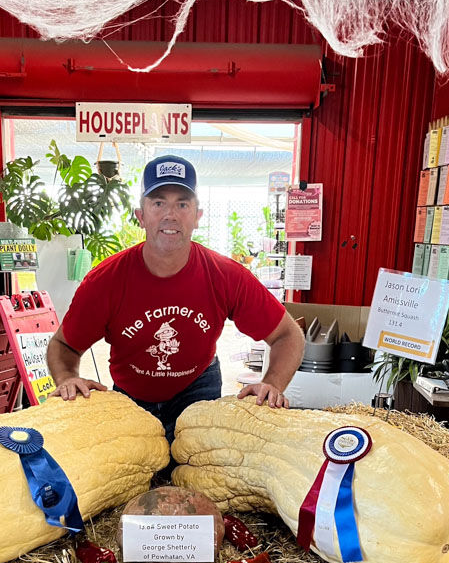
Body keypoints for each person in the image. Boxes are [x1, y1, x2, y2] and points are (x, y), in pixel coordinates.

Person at [47, 154, 305, 444]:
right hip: (130, 398)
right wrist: (67, 378)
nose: (170, 214)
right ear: (140, 215)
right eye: (158, 203)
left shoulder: (226, 275)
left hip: (197, 390)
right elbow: (64, 345)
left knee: (199, 471)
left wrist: (272, 384)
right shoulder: (105, 280)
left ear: (197, 216)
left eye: (182, 204)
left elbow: (288, 335)